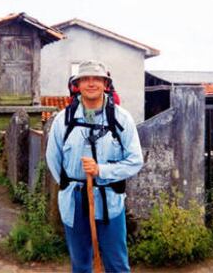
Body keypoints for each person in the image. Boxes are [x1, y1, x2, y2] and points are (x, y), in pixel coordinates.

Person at [46, 60, 143, 273]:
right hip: (75, 200)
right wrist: (70, 185)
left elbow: (135, 160)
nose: (91, 83)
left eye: (97, 79)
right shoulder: (64, 120)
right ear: (77, 85)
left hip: (110, 200)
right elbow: (53, 159)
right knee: (80, 264)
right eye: (85, 79)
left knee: (117, 264)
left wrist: (102, 171)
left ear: (105, 84)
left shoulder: (121, 119)